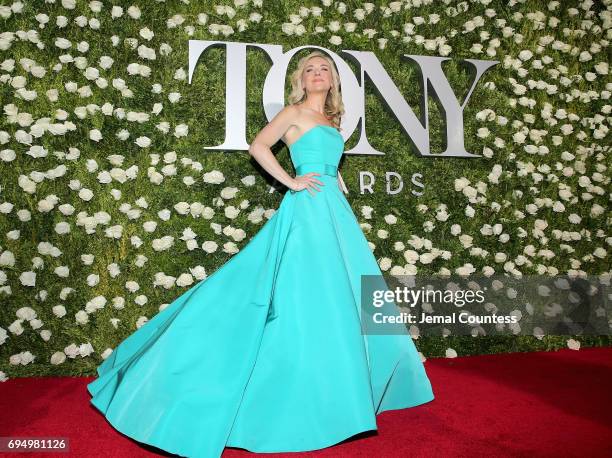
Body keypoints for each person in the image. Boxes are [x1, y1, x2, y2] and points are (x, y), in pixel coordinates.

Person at [87, 50, 434, 458]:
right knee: (303, 291)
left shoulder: (332, 121)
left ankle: (341, 381)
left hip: (335, 214)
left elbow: (324, 155)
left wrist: (335, 177)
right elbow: (258, 146)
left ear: (333, 80)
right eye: (310, 70)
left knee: (342, 292)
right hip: (307, 211)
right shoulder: (293, 112)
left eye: (324, 69)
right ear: (301, 80)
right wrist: (291, 180)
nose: (318, 74)